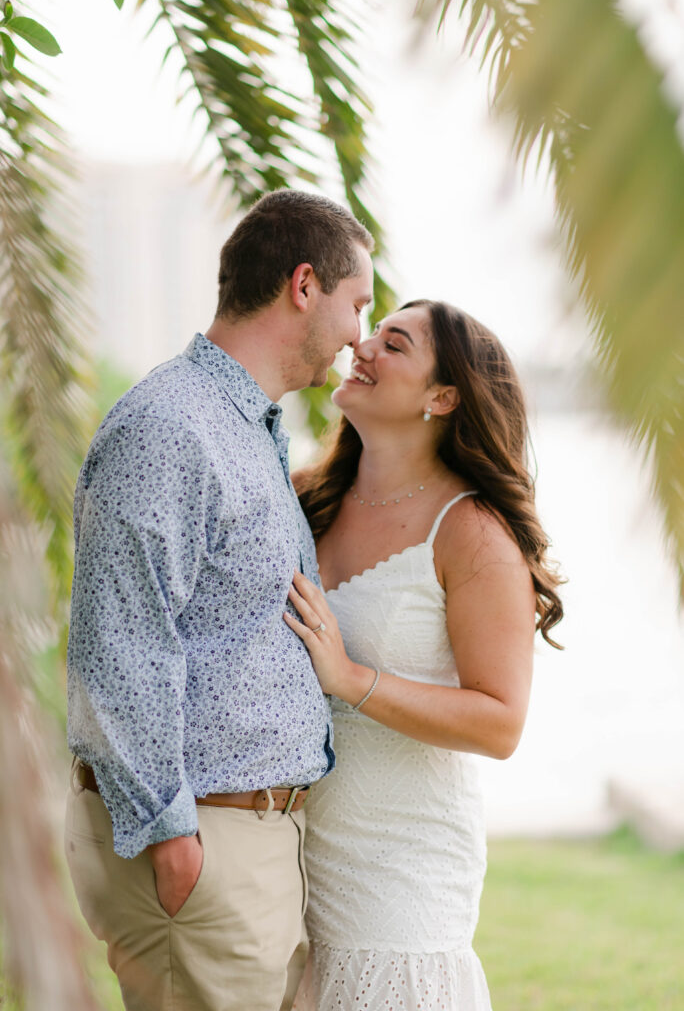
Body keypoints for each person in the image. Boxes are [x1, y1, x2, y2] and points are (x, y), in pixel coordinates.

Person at [64, 189, 375, 1011]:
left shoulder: (247, 428)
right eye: (357, 304)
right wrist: (174, 842)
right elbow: (120, 643)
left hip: (253, 850)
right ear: (303, 286)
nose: (358, 335)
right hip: (201, 854)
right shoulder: (171, 426)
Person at [285, 300, 564, 1011]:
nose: (363, 346)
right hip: (288, 859)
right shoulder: (307, 499)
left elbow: (500, 722)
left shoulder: (469, 531)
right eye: (372, 332)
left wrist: (350, 679)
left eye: (394, 344)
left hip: (399, 878)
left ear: (443, 397)